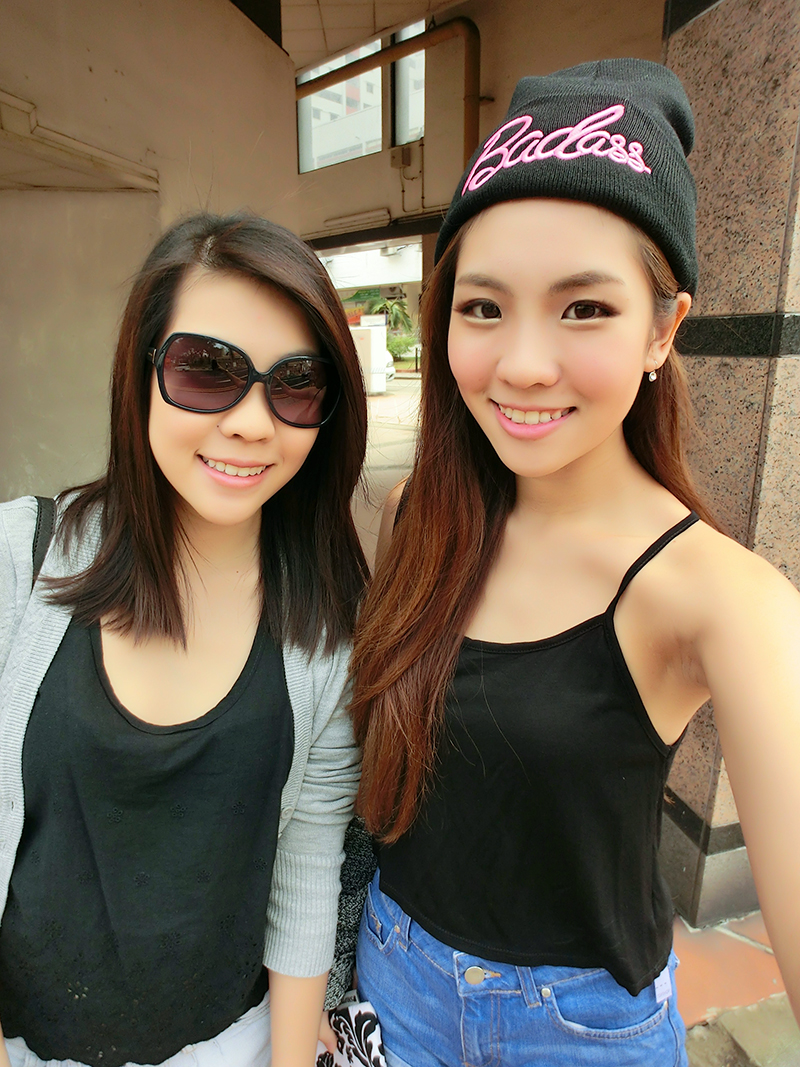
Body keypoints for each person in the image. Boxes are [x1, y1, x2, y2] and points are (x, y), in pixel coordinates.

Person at [350, 59, 800, 1066]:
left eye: (584, 308)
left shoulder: (722, 600)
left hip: (578, 1030)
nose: (520, 363)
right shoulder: (416, 514)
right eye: (482, 307)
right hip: (391, 978)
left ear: (662, 329)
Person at [0, 213, 368, 1067]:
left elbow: (307, 865)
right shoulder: (19, 561)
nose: (252, 422)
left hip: (231, 1043)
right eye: (207, 369)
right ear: (141, 374)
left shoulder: (327, 625)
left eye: (296, 384)